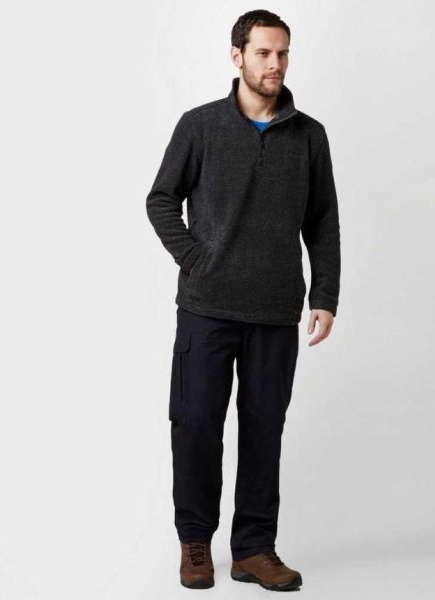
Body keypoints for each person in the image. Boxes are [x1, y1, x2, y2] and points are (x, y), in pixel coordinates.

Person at [146, 9, 341, 591]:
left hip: (275, 312)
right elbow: (161, 199)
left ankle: (255, 549)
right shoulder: (200, 126)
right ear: (238, 56)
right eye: (263, 53)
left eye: (283, 53)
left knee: (263, 430)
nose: (275, 64)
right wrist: (196, 258)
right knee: (196, 426)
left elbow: (323, 222)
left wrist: (325, 294)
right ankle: (195, 543)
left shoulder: (310, 136)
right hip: (205, 308)